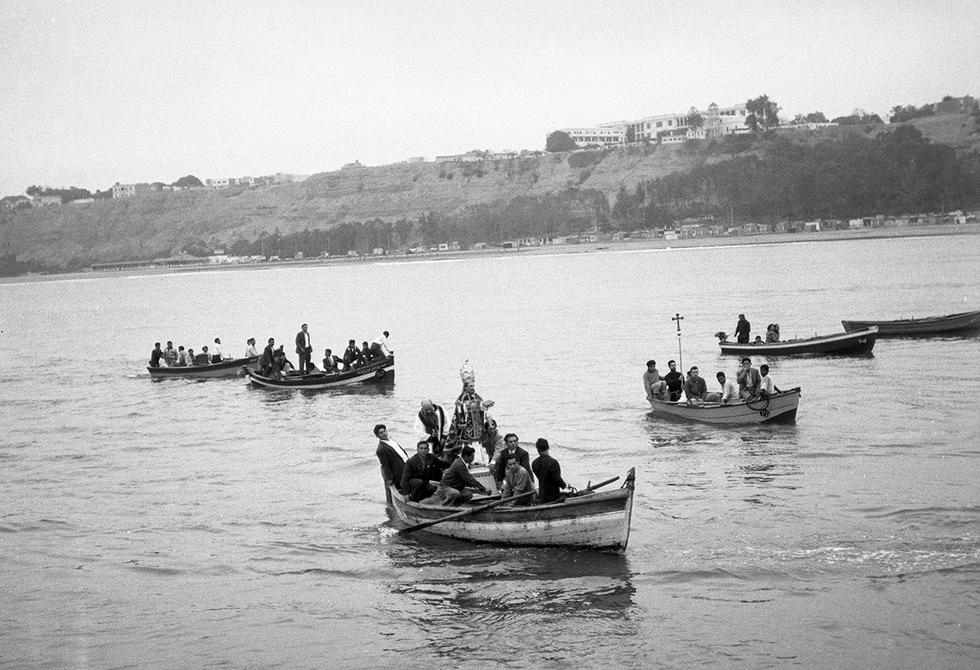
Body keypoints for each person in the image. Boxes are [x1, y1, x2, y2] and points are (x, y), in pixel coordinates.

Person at [531, 438, 567, 504]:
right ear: (548, 447)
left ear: (537, 449)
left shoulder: (534, 463)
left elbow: (540, 477)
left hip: (542, 494)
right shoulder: (553, 462)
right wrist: (565, 486)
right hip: (553, 495)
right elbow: (557, 479)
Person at [374, 424, 408, 493]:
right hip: (399, 474)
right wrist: (390, 479)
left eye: (384, 431)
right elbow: (385, 465)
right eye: (381, 433)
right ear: (377, 436)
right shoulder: (380, 449)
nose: (384, 433)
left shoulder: (392, 441)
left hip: (406, 467)